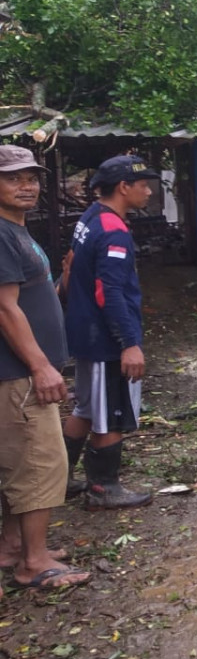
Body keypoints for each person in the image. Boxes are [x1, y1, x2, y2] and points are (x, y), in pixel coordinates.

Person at [0, 145, 90, 589]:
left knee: (20, 461)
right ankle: (33, 563)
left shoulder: (18, 231)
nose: (26, 185)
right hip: (16, 373)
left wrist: (63, 280)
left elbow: (32, 298)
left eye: (31, 177)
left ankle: (14, 546)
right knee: (40, 462)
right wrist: (40, 366)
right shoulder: (0, 233)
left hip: (25, 370)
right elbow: (4, 308)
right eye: (14, 178)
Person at [62, 154, 158, 510]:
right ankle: (103, 488)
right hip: (104, 341)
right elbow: (110, 292)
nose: (148, 191)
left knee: (87, 407)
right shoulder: (113, 230)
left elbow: (70, 269)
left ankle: (58, 479)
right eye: (143, 185)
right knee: (110, 411)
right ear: (123, 187)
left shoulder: (90, 217)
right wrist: (129, 344)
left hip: (86, 332)